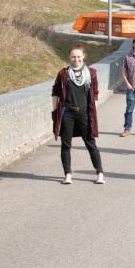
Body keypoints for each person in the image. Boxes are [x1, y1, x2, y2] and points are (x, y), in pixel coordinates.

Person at [51, 43, 105, 185]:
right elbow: (55, 92)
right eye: (73, 57)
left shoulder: (91, 73)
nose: (76, 59)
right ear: (69, 57)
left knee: (90, 143)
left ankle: (100, 173)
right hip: (67, 113)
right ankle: (68, 174)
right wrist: (55, 111)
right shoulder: (63, 73)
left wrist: (91, 111)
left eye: (79, 56)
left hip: (84, 113)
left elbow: (95, 93)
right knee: (66, 144)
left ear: (84, 56)